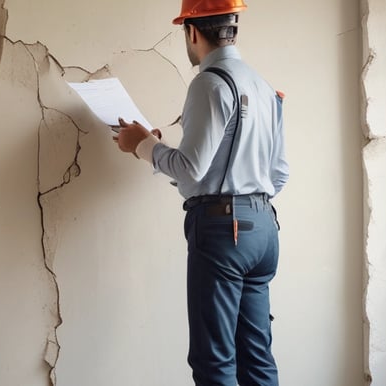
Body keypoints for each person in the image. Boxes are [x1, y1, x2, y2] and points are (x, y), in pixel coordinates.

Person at [113, 1, 288, 385]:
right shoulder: (262, 86)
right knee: (257, 358)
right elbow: (278, 175)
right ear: (234, 25)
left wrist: (142, 146)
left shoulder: (208, 83)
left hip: (224, 233)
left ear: (191, 30)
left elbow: (193, 173)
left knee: (215, 363)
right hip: (263, 230)